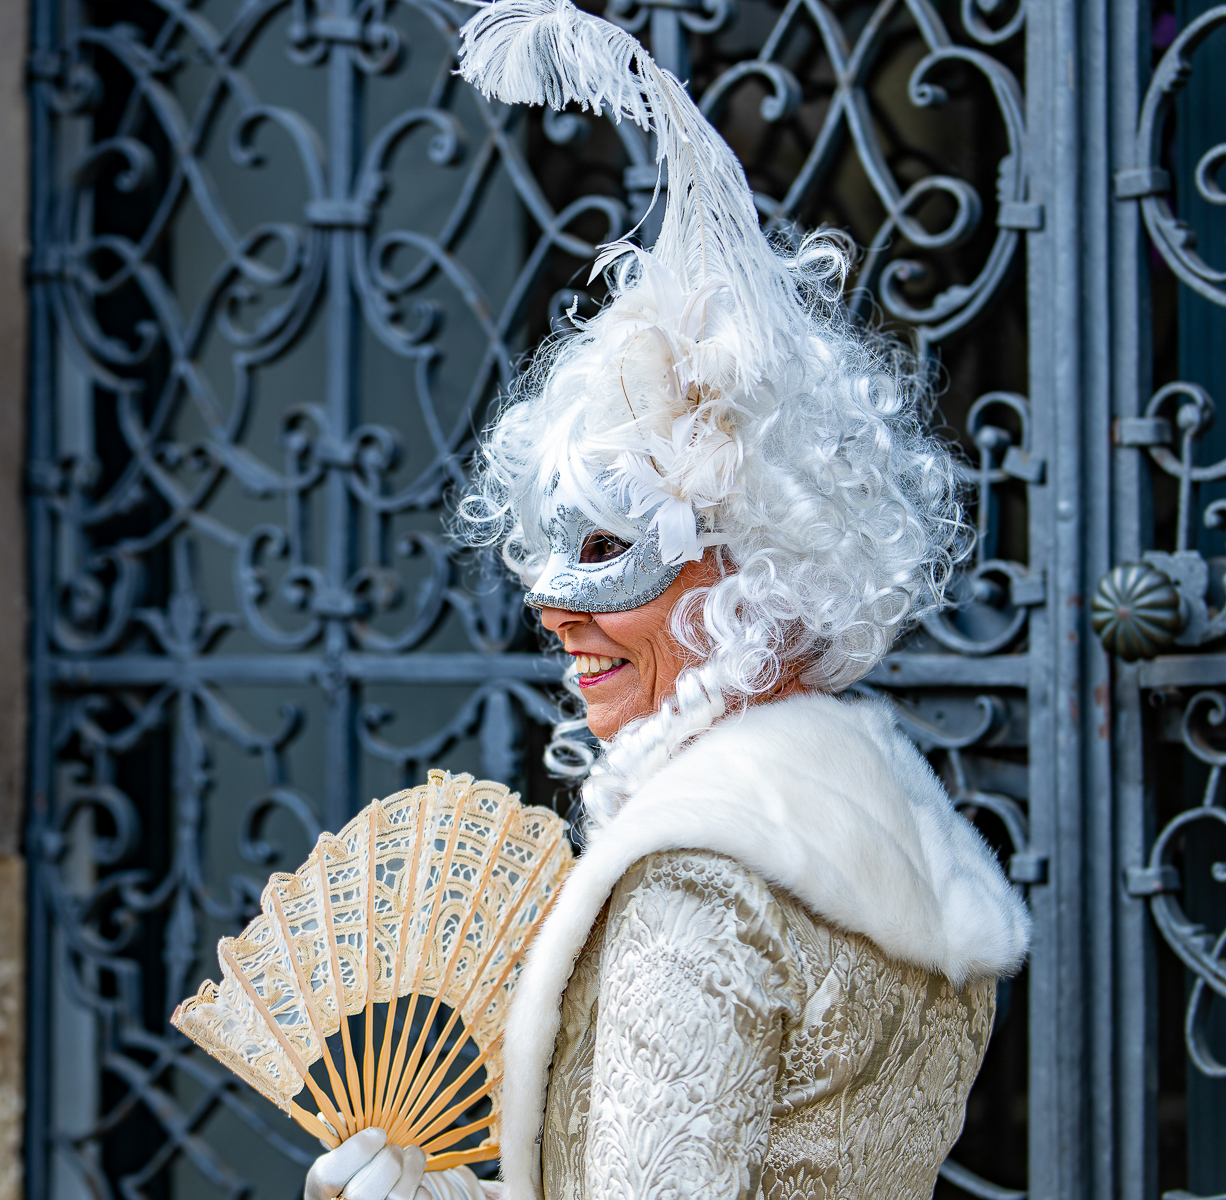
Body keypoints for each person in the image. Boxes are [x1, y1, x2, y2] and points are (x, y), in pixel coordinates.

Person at [302, 1, 1030, 1197]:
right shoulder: (890, 830)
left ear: (755, 565)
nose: (555, 612)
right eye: (544, 558)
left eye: (608, 550)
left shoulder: (700, 884)